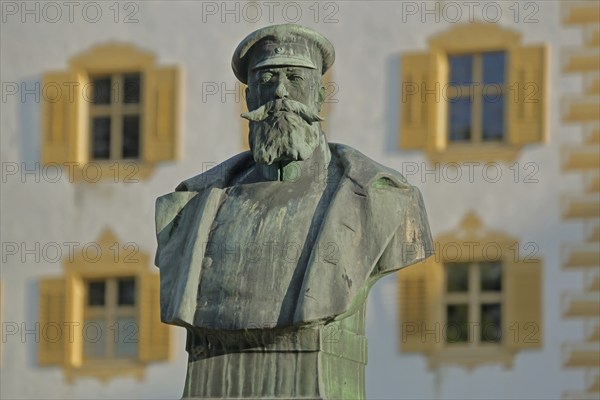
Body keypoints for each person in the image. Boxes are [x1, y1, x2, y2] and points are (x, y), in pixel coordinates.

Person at [155, 23, 433, 399]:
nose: (281, 92)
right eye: (266, 79)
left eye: (295, 78)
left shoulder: (379, 197)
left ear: (319, 95)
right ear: (248, 96)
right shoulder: (191, 207)